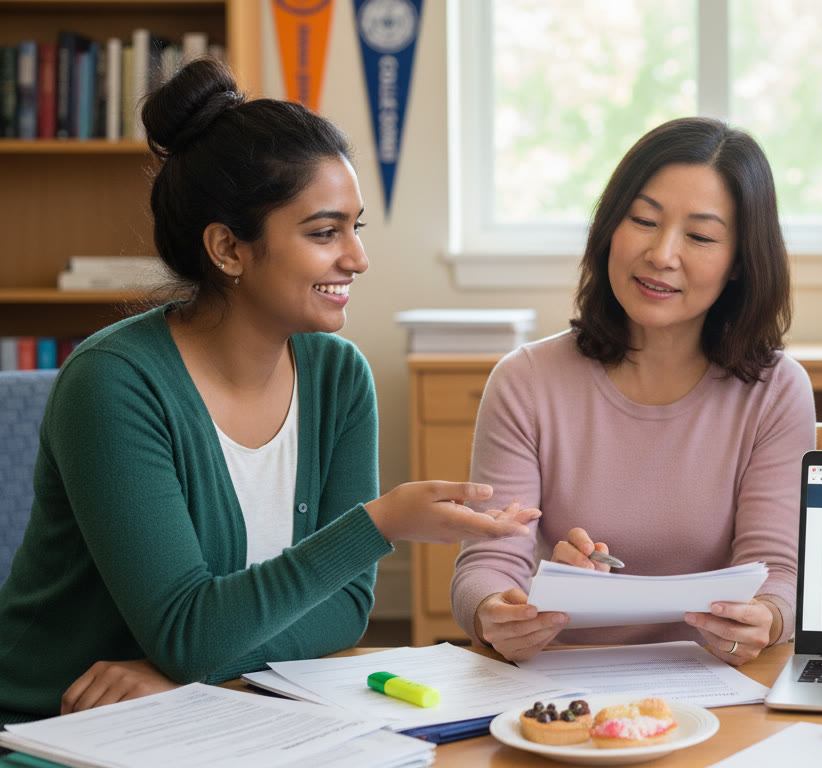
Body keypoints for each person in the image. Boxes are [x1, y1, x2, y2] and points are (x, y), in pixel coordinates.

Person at [0, 58, 537, 724]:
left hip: (211, 711)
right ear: (228, 249)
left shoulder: (339, 377)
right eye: (323, 232)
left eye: (356, 228)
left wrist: (188, 673)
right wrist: (379, 524)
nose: (356, 258)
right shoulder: (114, 385)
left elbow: (340, 616)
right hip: (57, 723)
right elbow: (190, 634)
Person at [450, 117, 816, 665]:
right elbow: (486, 565)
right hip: (558, 684)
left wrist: (766, 617)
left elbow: (777, 571)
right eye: (643, 220)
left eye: (699, 236)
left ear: (740, 261)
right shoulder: (525, 380)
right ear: (609, 228)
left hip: (714, 684)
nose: (662, 253)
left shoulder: (776, 390)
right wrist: (498, 612)